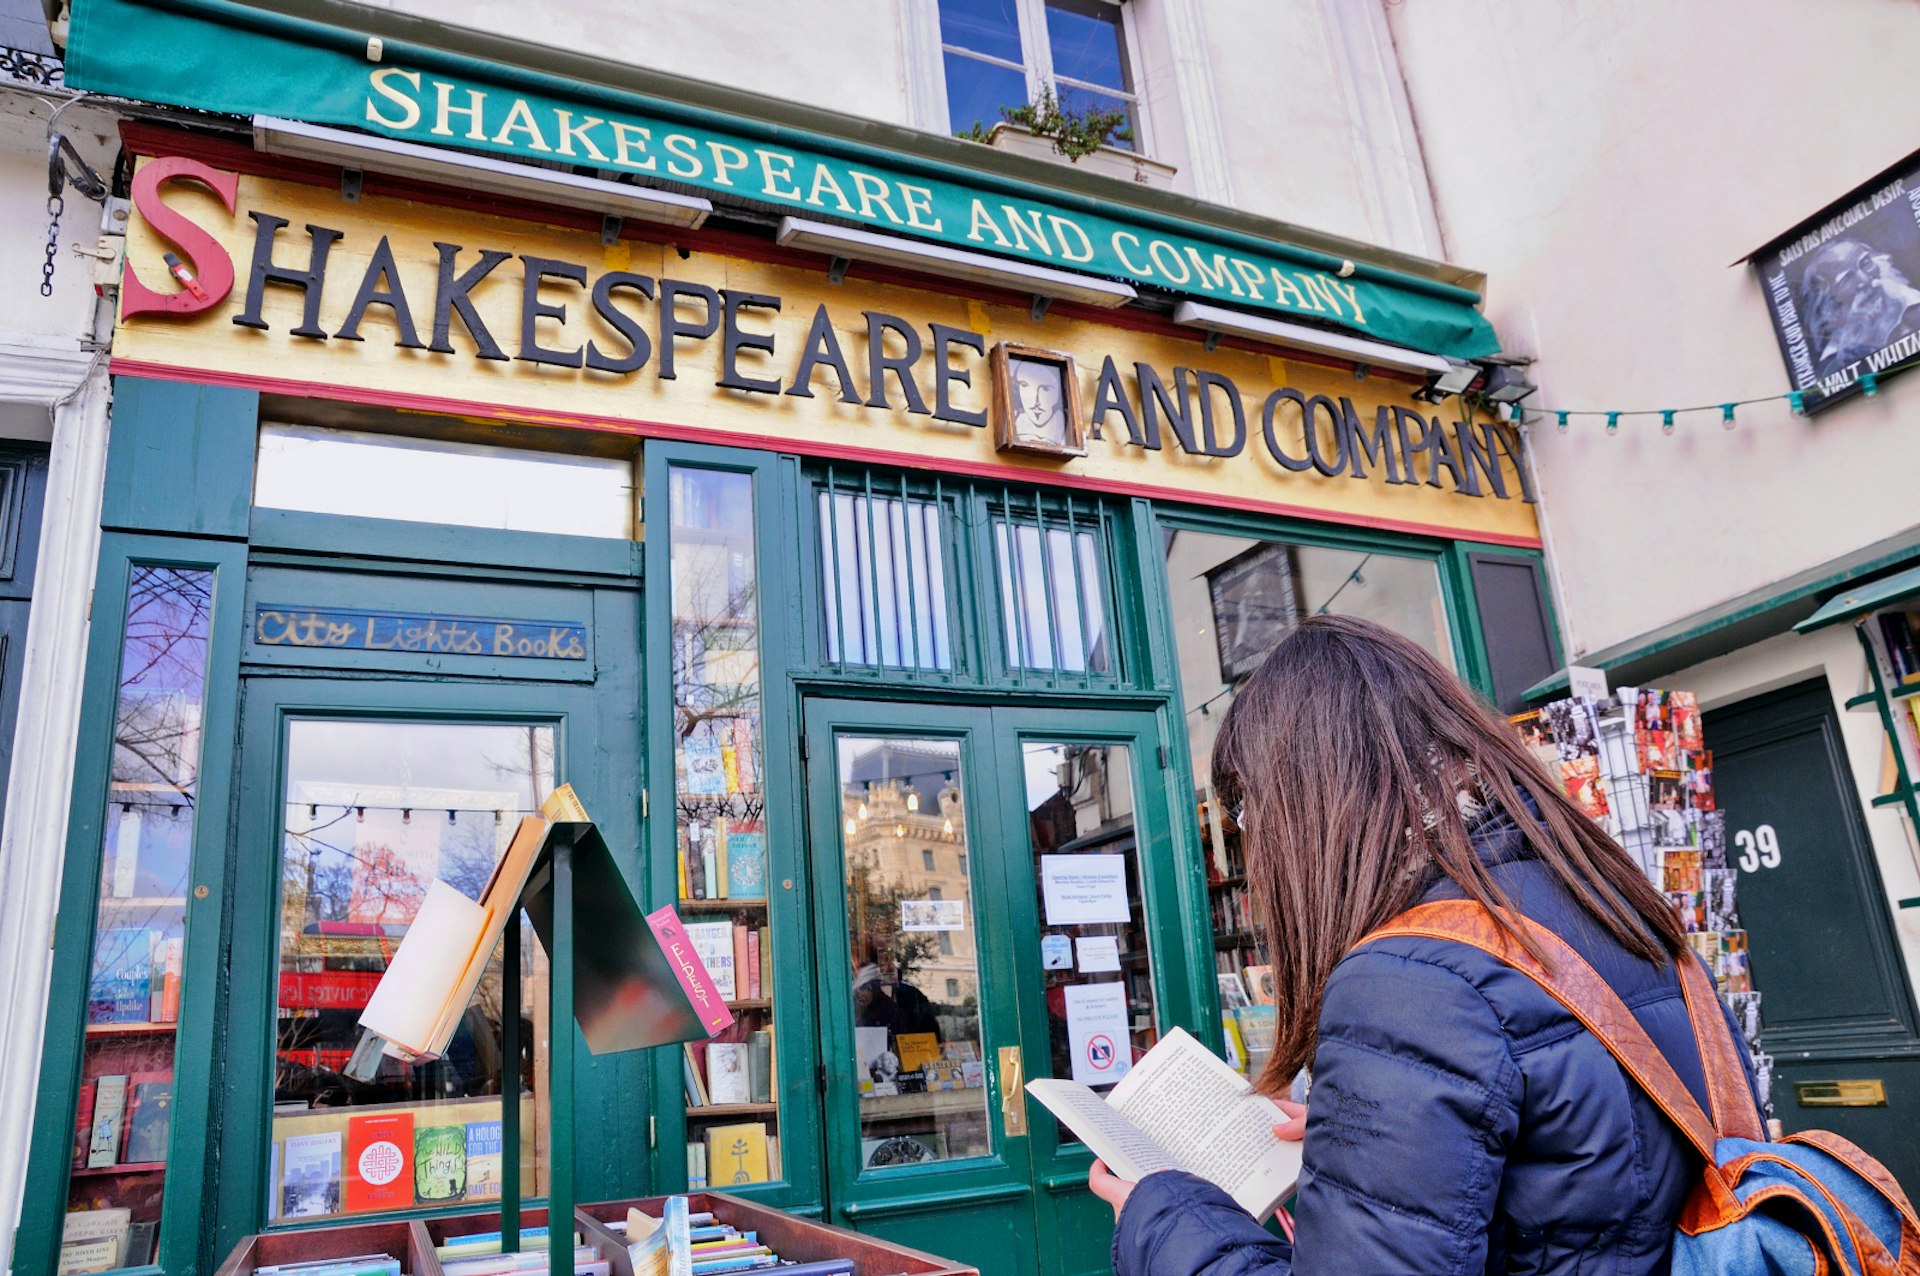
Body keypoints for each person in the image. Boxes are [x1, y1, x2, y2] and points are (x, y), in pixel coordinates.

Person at [1089, 616, 1760, 1276]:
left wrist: (1167, 1218)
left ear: (1306, 811)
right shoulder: (1611, 902)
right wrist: (1356, 1152)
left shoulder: (1406, 979)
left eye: (1253, 817)